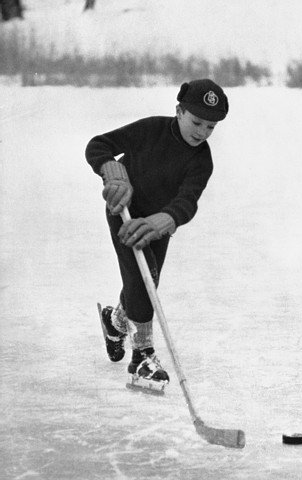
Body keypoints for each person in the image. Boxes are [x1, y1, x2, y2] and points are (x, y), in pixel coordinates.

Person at [85, 79, 229, 385]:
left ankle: (116, 321)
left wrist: (163, 221)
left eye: (210, 127)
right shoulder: (151, 129)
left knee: (148, 280)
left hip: (158, 225)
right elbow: (98, 145)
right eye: (197, 121)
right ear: (179, 111)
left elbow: (187, 201)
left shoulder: (202, 160)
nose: (202, 132)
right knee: (142, 277)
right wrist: (112, 170)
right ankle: (143, 356)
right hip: (124, 213)